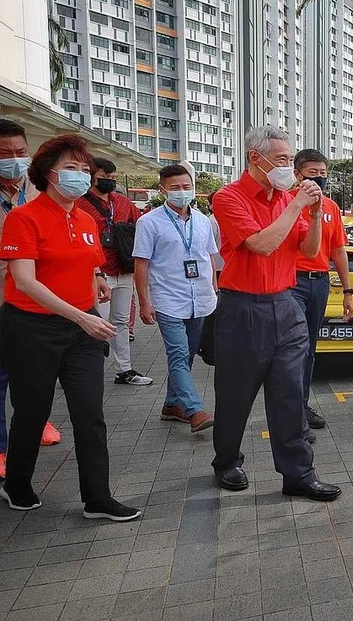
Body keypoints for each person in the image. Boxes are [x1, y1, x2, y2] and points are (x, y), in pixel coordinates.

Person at [0, 133, 141, 521]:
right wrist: (82, 316)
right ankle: (17, 483)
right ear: (48, 173)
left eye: (84, 170)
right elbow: (25, 281)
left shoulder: (84, 218)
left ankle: (97, 498)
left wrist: (95, 278)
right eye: (71, 168)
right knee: (32, 410)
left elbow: (90, 259)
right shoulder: (22, 217)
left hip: (81, 331)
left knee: (89, 412)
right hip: (32, 328)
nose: (80, 176)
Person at [210, 125, 340, 502]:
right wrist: (298, 204)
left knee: (290, 392)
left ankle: (299, 473)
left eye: (289, 159)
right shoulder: (229, 197)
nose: (290, 168)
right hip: (242, 306)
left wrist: (314, 214)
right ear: (256, 158)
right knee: (236, 393)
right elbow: (261, 245)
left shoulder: (287, 198)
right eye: (283, 160)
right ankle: (227, 460)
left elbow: (310, 248)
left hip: (286, 304)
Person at [133, 164, 217, 433]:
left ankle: (171, 404)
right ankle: (194, 410)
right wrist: (145, 302)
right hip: (168, 299)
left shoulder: (203, 221)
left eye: (186, 186)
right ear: (163, 190)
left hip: (201, 299)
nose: (182, 192)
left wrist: (214, 289)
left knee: (187, 355)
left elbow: (210, 259)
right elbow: (141, 265)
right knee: (178, 354)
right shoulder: (149, 222)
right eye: (175, 188)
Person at [0, 121, 63, 477]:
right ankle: (1, 446)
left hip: (42, 299)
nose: (14, 160)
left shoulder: (41, 191)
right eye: (5, 155)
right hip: (4, 298)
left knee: (35, 373)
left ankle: (36, 421)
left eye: (20, 153)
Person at [290, 149, 353, 433]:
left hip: (320, 283)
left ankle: (300, 406)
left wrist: (348, 291)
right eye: (312, 174)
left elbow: (338, 250)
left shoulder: (331, 208)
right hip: (291, 282)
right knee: (295, 348)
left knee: (309, 350)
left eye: (323, 174)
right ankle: (292, 415)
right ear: (297, 174)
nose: (319, 179)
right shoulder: (286, 202)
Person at [76, 158, 153, 386]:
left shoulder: (121, 201)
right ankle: (85, 369)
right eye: (104, 177)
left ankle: (124, 369)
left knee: (120, 320)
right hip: (96, 271)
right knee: (94, 321)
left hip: (123, 267)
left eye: (112, 178)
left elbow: (139, 224)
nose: (109, 181)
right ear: (91, 177)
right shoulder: (79, 204)